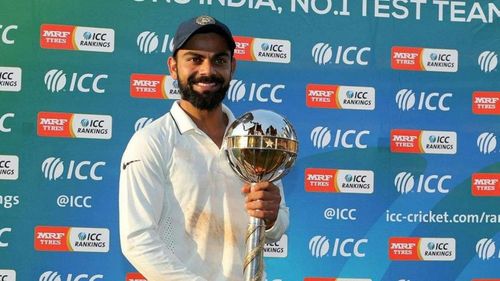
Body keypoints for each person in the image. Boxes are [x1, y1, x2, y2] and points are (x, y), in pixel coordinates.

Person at [119, 15, 289, 281]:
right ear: (173, 67)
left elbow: (276, 229)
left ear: (232, 66)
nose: (207, 71)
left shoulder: (254, 141)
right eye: (195, 59)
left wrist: (271, 217)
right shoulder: (152, 142)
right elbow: (137, 240)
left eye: (219, 60)